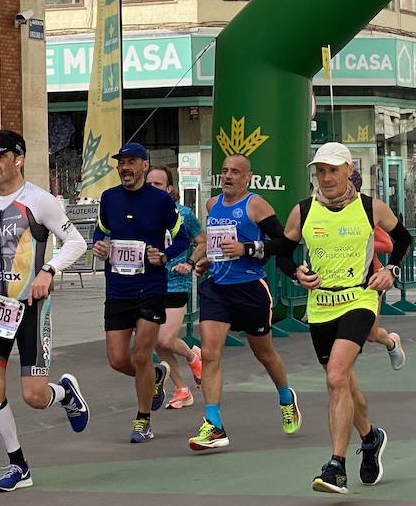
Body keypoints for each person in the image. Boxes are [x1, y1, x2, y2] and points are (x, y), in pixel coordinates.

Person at [0, 130, 90, 492]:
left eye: (0, 156)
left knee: (33, 397)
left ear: (18, 159)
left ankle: (64, 393)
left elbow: (77, 242)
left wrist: (49, 270)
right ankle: (18, 466)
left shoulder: (40, 201)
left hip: (31, 307)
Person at [276, 143, 411, 494]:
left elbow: (403, 238)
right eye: (320, 170)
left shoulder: (370, 208)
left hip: (360, 297)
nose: (326, 177)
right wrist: (296, 273)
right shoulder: (303, 212)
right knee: (344, 383)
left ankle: (336, 465)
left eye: (333, 170)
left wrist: (391, 270)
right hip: (321, 304)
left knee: (335, 376)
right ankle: (370, 437)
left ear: (350, 170)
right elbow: (282, 254)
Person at [186, 153, 300, 453]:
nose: (228, 176)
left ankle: (286, 397)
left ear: (247, 177)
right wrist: (204, 261)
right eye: (224, 171)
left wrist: (246, 248)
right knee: (210, 353)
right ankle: (214, 424)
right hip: (217, 290)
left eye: (235, 172)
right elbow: (213, 245)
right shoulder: (211, 205)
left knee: (264, 353)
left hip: (250, 289)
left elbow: (284, 244)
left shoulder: (256, 205)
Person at [91, 142, 190, 443]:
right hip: (118, 287)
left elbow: (182, 238)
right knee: (118, 359)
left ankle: (143, 419)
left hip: (151, 286)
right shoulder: (109, 198)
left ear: (145, 166)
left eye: (132, 162)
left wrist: (163, 255)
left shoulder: (160, 200)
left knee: (142, 353)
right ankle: (156, 377)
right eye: (121, 162)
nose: (125, 168)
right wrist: (98, 245)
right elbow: (99, 232)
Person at [145, 165, 202, 409]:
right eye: (148, 184)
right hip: (148, 282)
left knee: (166, 340)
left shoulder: (183, 214)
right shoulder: (141, 214)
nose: (152, 189)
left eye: (157, 184)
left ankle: (192, 356)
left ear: (169, 188)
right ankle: (182, 389)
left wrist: (189, 263)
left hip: (176, 281)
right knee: (156, 343)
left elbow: (202, 242)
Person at [351, 166, 406, 369]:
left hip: (372, 279)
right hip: (341, 282)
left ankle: (391, 343)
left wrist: (358, 242)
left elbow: (388, 244)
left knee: (371, 335)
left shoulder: (367, 211)